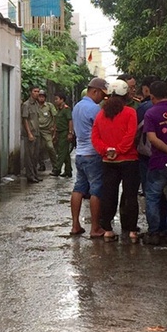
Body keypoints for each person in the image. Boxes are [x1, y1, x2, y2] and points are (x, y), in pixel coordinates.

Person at [91, 79, 140, 243]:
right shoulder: (130, 113)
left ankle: (108, 230)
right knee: (131, 196)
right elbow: (130, 135)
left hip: (108, 162)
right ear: (125, 95)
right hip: (129, 160)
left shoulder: (100, 114)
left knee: (109, 195)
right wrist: (118, 150)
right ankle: (132, 231)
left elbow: (95, 137)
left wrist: (107, 151)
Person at [142, 80, 167, 245]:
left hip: (158, 163)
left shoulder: (151, 114)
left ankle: (155, 232)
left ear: (152, 96)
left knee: (152, 197)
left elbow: (152, 139)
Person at [70, 77, 107, 237]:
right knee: (96, 190)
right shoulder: (95, 109)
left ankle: (75, 225)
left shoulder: (77, 106)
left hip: (80, 154)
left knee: (78, 188)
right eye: (102, 95)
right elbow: (101, 131)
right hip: (93, 154)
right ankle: (95, 228)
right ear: (95, 91)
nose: (103, 98)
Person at [21, 85, 42, 183]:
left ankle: (35, 174)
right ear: (31, 92)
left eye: (38, 91)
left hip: (37, 133)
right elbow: (25, 120)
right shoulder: (26, 104)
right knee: (29, 156)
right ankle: (30, 175)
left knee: (35, 156)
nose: (37, 93)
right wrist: (29, 133)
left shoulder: (37, 104)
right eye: (35, 91)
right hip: (30, 133)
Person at [51, 92, 73, 177]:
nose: (55, 101)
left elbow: (70, 121)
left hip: (65, 132)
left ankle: (57, 169)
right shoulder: (59, 109)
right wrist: (54, 132)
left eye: (57, 99)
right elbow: (57, 121)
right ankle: (68, 170)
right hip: (59, 132)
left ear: (62, 100)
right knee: (65, 152)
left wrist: (70, 133)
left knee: (61, 152)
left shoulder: (66, 109)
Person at [37, 89, 58, 173]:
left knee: (50, 147)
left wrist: (54, 127)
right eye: (40, 97)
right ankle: (41, 165)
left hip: (47, 130)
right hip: (37, 130)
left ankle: (55, 167)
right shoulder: (35, 106)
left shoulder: (49, 106)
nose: (41, 98)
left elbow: (55, 116)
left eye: (43, 97)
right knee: (38, 149)